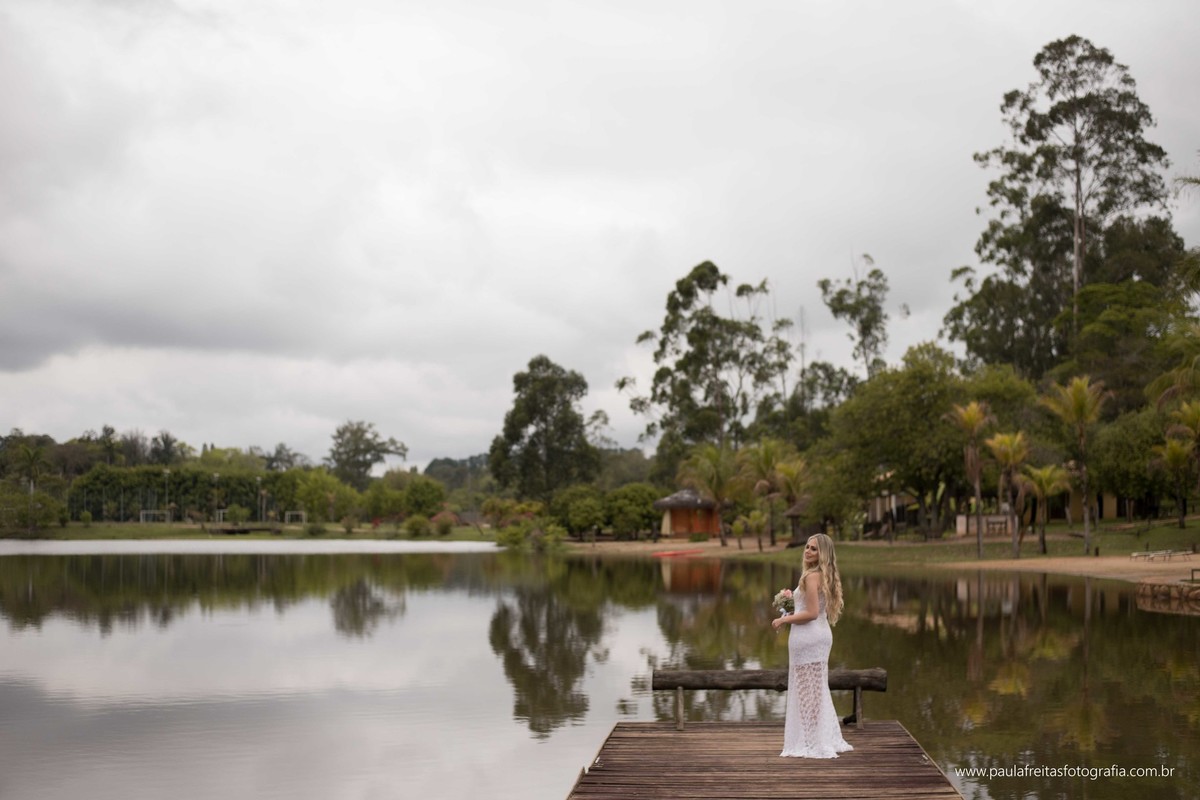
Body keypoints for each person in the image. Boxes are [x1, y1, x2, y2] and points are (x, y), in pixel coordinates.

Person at [771, 533, 853, 758]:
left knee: (809, 692)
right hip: (819, 635)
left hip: (809, 637)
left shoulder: (811, 577)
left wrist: (784, 619)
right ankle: (817, 737)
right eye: (807, 546)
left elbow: (811, 613)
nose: (808, 551)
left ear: (822, 554)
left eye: (814, 549)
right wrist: (788, 604)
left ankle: (813, 741)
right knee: (815, 690)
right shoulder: (821, 575)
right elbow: (810, 609)